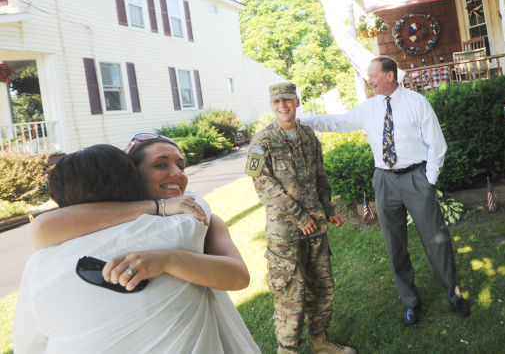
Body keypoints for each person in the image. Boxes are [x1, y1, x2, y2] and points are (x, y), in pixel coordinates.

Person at [16, 139, 259, 353]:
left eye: (181, 166)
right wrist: (158, 207)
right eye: (160, 165)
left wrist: (168, 258)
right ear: (133, 176)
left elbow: (42, 228)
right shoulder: (186, 221)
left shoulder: (194, 217)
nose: (177, 173)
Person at [299, 56, 470, 327]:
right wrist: (300, 119)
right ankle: (411, 302)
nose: (369, 80)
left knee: (436, 240)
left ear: (390, 75)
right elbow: (336, 122)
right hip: (384, 180)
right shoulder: (368, 108)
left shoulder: (417, 103)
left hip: (416, 177)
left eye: (373, 75)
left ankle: (454, 294)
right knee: (395, 245)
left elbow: (437, 144)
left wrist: (429, 179)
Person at [246, 82, 355, 354]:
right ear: (272, 106)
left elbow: (320, 177)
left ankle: (320, 341)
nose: (283, 106)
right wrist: (297, 215)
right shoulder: (262, 141)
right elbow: (263, 186)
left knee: (322, 287)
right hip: (286, 233)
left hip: (316, 227)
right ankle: (289, 349)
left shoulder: (308, 136)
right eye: (276, 102)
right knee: (290, 295)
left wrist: (329, 210)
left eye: (287, 100)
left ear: (296, 101)